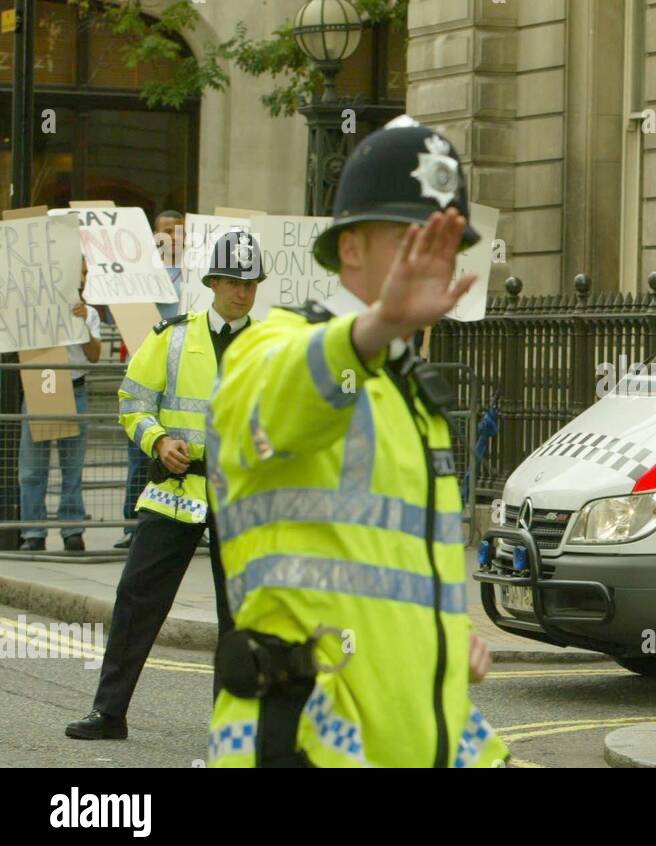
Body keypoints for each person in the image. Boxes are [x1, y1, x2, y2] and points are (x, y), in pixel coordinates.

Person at [206, 118, 507, 768]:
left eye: (448, 243)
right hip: (300, 741)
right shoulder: (277, 343)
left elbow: (388, 576)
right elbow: (276, 400)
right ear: (350, 250)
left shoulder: (413, 395)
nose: (436, 262)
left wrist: (446, 639)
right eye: (412, 240)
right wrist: (373, 329)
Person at [65, 230, 263, 740]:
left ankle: (232, 729)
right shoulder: (172, 336)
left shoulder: (272, 349)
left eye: (251, 283)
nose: (243, 292)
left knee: (240, 615)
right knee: (137, 598)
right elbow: (132, 402)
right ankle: (109, 713)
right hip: (176, 490)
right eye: (234, 282)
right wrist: (156, 441)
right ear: (214, 282)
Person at [116, 210, 188, 550]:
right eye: (165, 232)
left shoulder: (198, 277)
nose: (172, 238)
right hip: (148, 370)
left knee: (181, 449)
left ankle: (188, 522)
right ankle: (133, 526)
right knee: (139, 453)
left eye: (178, 232)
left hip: (185, 374)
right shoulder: (140, 276)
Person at [17, 265, 101, 552]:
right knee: (32, 469)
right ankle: (33, 533)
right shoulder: (33, 310)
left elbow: (94, 356)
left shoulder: (89, 314)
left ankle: (72, 531)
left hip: (74, 391)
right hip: (40, 389)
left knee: (72, 468)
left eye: (83, 271)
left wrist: (81, 326)